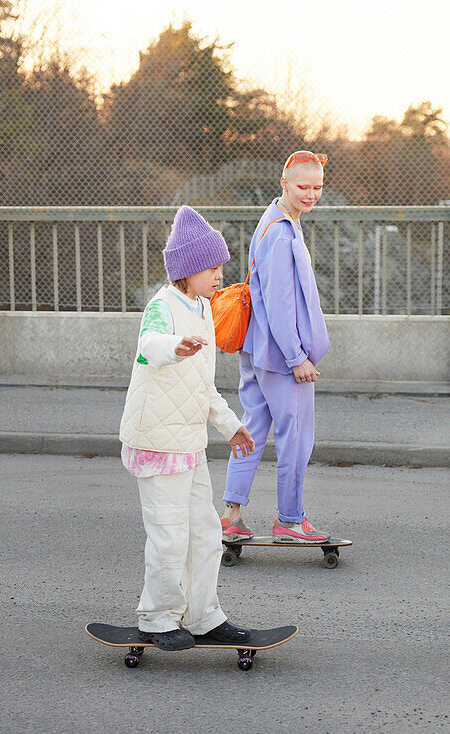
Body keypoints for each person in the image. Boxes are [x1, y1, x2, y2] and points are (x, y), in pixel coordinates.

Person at [119, 205, 256, 651]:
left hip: (190, 443)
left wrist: (232, 426)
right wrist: (174, 348)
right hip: (158, 443)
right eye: (212, 268)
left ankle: (203, 616)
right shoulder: (163, 306)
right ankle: (158, 618)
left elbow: (203, 385)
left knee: (205, 533)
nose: (220, 275)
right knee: (169, 536)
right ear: (188, 269)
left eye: (220, 267)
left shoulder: (202, 307)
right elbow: (149, 346)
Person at [221, 151, 331, 544]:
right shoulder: (283, 234)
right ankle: (289, 519)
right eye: (303, 186)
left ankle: (232, 514)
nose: (311, 194)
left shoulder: (272, 221)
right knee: (296, 436)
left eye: (318, 187)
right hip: (280, 356)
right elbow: (283, 305)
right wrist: (297, 357)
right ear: (284, 183)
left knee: (252, 429)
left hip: (258, 349)